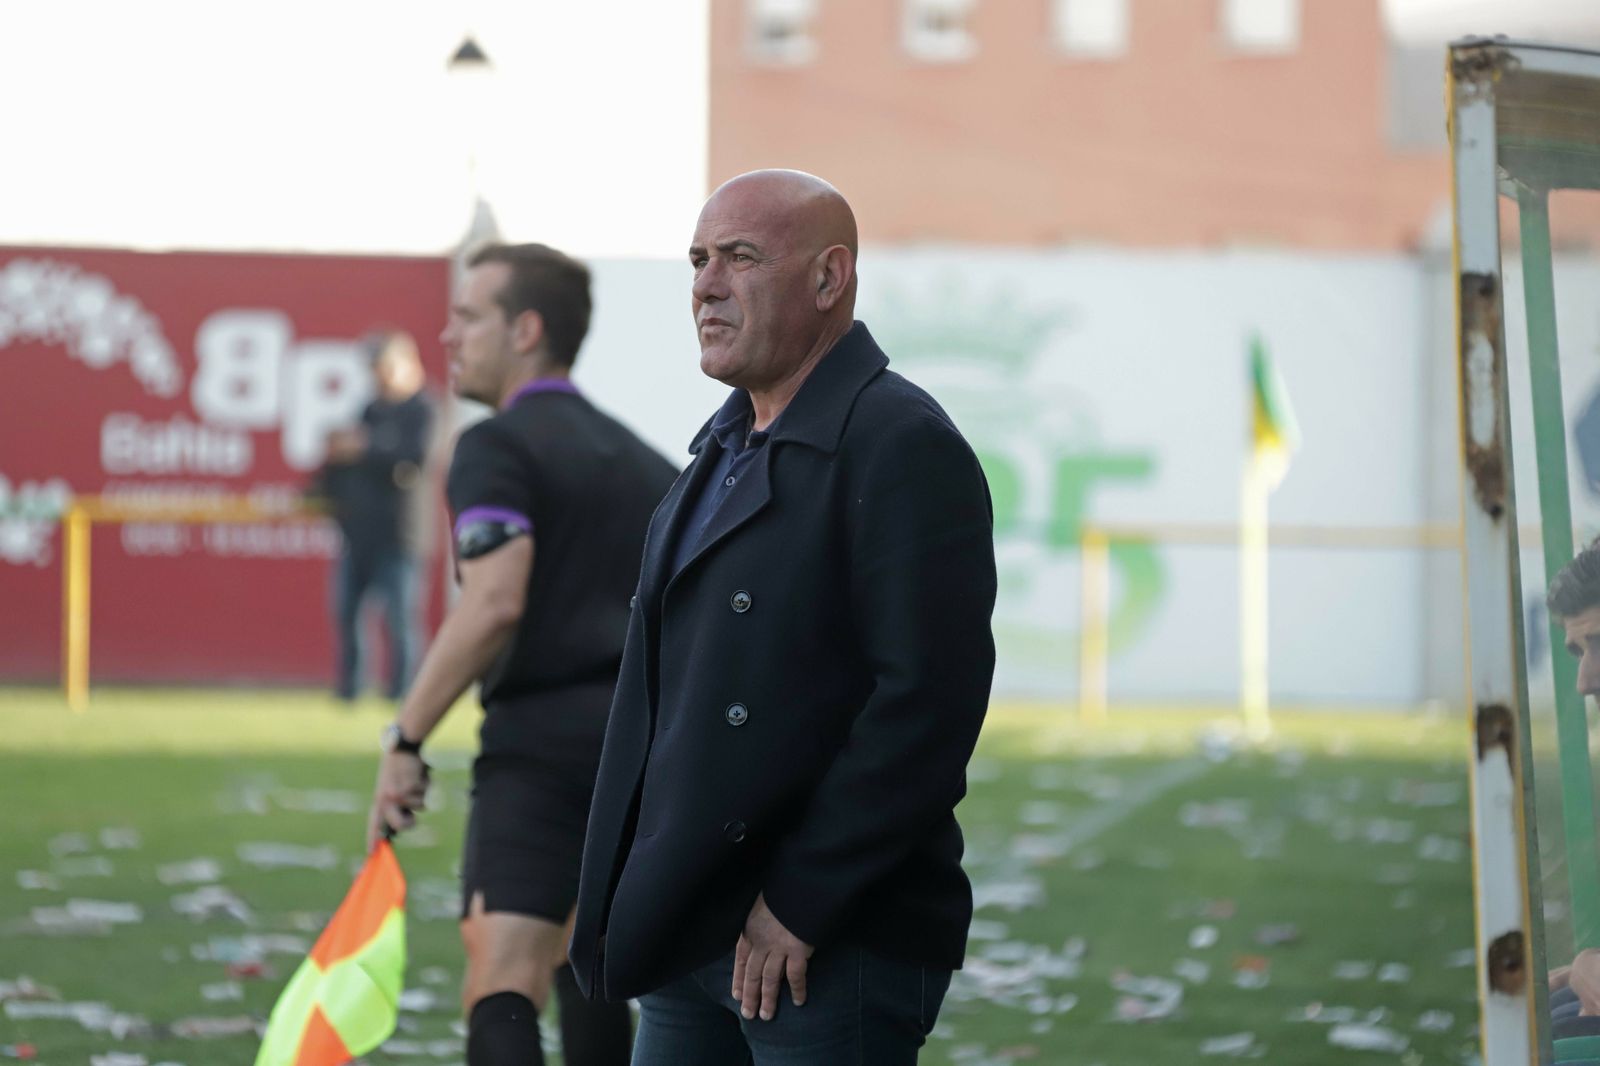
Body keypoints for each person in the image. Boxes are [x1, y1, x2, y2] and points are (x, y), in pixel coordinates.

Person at [568, 170, 998, 1064]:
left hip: (828, 940)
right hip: (692, 924)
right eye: (696, 260)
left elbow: (926, 707)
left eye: (739, 258)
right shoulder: (721, 445)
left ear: (829, 279)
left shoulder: (902, 442)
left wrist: (802, 899)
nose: (704, 286)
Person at [365, 243, 678, 1066]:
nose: (448, 333)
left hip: (537, 746)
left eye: (469, 316)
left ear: (527, 329)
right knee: (593, 966)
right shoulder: (654, 467)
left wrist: (406, 736)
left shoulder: (494, 446)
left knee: (502, 975)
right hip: (641, 750)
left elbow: (495, 599)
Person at [319, 329, 434, 702]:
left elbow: (411, 459)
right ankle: (349, 690)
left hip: (401, 535)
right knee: (346, 613)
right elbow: (346, 462)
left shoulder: (421, 409)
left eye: (382, 366)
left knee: (400, 619)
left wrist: (366, 447)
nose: (377, 376)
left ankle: (401, 693)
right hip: (359, 533)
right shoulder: (369, 408)